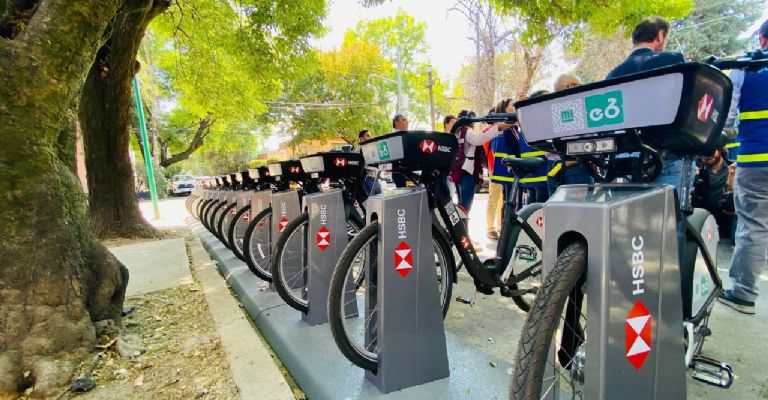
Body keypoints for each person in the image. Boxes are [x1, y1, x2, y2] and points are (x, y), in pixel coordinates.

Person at [606, 16, 691, 199]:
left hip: (624, 158)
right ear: (660, 35)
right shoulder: (672, 60)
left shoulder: (613, 74)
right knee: (669, 217)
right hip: (665, 154)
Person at [718, 19, 768, 315]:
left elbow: (727, 119)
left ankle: (743, 294)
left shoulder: (745, 70)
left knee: (754, 226)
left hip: (757, 160)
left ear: (762, 40)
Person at [449, 109, 511, 211]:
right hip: (467, 171)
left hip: (459, 170)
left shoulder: (458, 131)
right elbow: (478, 140)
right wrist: (498, 128)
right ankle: (463, 226)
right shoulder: (465, 130)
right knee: (464, 206)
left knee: (462, 205)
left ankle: (463, 225)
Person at [692, 147, 735, 238]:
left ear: (720, 150)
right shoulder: (699, 169)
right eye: (705, 154)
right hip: (703, 218)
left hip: (725, 220)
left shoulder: (731, 168)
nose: (708, 156)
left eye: (712, 152)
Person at [391, 114, 409, 187]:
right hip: (400, 172)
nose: (407, 121)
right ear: (396, 123)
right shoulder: (394, 136)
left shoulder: (405, 135)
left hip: (407, 172)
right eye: (403, 120)